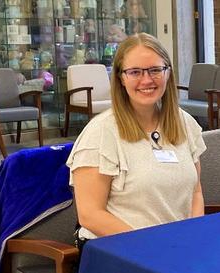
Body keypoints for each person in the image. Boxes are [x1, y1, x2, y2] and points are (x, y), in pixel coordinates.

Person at [67, 33, 206, 240]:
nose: (147, 80)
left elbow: (195, 192)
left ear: (168, 73)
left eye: (155, 70)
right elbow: (90, 215)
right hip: (119, 248)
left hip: (178, 246)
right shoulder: (100, 133)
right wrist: (151, 245)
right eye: (135, 72)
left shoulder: (184, 123)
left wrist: (192, 236)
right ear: (121, 78)